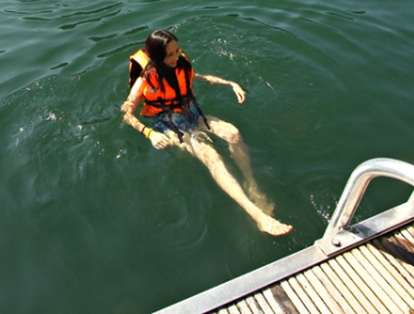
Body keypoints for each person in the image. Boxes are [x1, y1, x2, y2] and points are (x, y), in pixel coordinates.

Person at [121, 29, 292, 236]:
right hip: (166, 123)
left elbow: (202, 77)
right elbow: (127, 114)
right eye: (170, 55)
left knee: (233, 134)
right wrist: (149, 133)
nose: (176, 57)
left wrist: (231, 83)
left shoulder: (180, 65)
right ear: (158, 57)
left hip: (190, 112)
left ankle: (252, 184)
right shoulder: (145, 81)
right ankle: (258, 216)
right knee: (213, 157)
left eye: (177, 51)